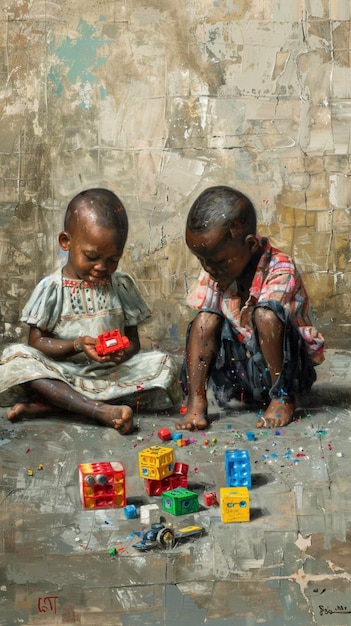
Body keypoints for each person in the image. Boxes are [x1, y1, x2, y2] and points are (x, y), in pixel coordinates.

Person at [0, 188, 179, 434]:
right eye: (92, 256)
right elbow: (36, 342)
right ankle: (100, 411)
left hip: (112, 374)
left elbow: (133, 341)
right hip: (64, 373)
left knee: (165, 363)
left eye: (112, 259)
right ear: (66, 242)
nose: (101, 267)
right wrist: (77, 345)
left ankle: (58, 405)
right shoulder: (53, 288)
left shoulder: (121, 284)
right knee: (17, 357)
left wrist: (123, 352)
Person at [176, 185, 324, 431]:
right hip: (241, 373)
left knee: (266, 315)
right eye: (202, 261)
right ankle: (196, 403)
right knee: (204, 320)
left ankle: (282, 397)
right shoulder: (217, 272)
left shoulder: (280, 268)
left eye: (217, 262)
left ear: (251, 244)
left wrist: (283, 387)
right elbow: (207, 328)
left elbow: (272, 323)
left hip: (286, 371)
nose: (209, 269)